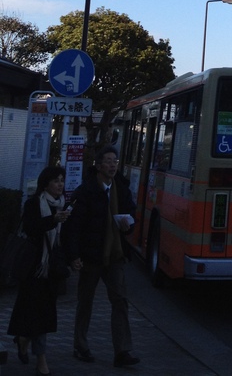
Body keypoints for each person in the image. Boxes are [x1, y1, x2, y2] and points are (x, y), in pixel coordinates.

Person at [62, 144, 139, 368]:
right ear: (98, 165)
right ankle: (80, 345)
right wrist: (73, 255)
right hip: (90, 255)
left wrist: (128, 226)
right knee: (85, 301)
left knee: (120, 301)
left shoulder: (121, 188)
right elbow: (74, 226)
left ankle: (122, 351)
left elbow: (130, 214)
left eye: (115, 160)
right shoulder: (86, 190)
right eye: (108, 161)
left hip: (114, 254)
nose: (113, 164)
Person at [7, 164, 71, 376]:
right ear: (46, 183)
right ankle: (39, 357)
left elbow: (66, 239)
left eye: (62, 180)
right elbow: (31, 228)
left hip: (51, 269)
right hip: (33, 267)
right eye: (55, 181)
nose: (60, 185)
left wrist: (73, 259)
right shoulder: (35, 203)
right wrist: (52, 220)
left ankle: (25, 340)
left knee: (42, 313)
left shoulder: (64, 205)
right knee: (35, 312)